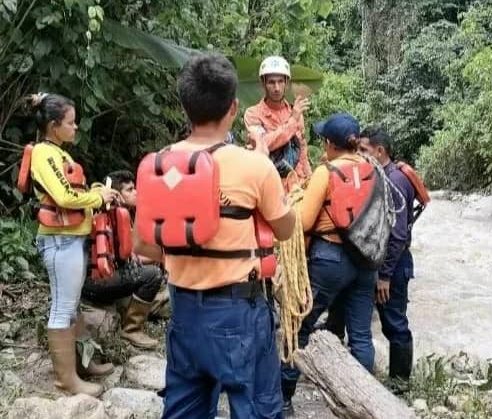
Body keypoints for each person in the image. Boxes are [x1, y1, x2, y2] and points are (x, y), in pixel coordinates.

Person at [132, 53, 295, 419]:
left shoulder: (158, 166)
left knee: (183, 410)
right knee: (257, 410)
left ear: (184, 106)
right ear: (234, 107)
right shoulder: (255, 166)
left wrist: (187, 252)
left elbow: (141, 245)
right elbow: (285, 229)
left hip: (185, 313)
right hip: (240, 315)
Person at [281, 113, 378, 413]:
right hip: (366, 260)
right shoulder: (372, 169)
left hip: (329, 260)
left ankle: (283, 399)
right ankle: (366, 404)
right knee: (361, 335)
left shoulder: (327, 172)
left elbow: (305, 221)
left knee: (299, 328)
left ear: (329, 143)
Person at [28, 93, 121, 396]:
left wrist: (96, 191)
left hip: (71, 238)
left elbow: (72, 189)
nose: (75, 127)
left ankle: (83, 362)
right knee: (62, 307)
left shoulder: (60, 152)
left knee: (72, 304)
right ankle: (66, 380)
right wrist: (98, 197)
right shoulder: (44, 154)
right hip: (59, 242)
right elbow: (64, 197)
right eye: (70, 123)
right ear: (54, 126)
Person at [324, 126, 417, 391]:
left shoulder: (394, 180)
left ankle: (400, 384)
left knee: (394, 322)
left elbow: (398, 235)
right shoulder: (377, 175)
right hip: (379, 262)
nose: (360, 155)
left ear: (380, 151)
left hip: (394, 265)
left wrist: (385, 275)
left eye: (364, 150)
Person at [80, 170, 164, 349]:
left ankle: (134, 307)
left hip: (106, 275)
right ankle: (132, 330)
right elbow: (129, 256)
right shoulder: (107, 213)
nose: (136, 193)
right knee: (153, 275)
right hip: (94, 282)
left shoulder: (124, 214)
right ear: (116, 194)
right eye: (130, 190)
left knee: (153, 273)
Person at [244, 55, 312, 189]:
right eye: (271, 82)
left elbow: (303, 149)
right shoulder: (253, 114)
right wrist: (292, 121)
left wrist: (310, 178)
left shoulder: (295, 112)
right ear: (263, 83)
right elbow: (263, 144)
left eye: (281, 81)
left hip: (297, 185)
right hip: (269, 186)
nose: (276, 88)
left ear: (287, 83)